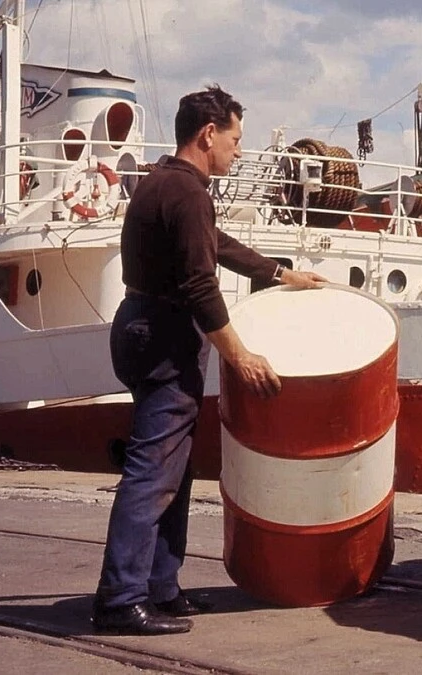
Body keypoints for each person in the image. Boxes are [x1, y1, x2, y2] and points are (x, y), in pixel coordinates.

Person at [92, 85, 325, 635]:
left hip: (139, 324)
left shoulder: (163, 183)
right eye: (235, 139)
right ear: (208, 134)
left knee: (171, 467)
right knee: (153, 472)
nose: (238, 151)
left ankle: (160, 588)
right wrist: (239, 355)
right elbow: (200, 283)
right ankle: (121, 598)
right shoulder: (190, 193)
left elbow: (212, 243)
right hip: (166, 334)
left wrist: (278, 273)